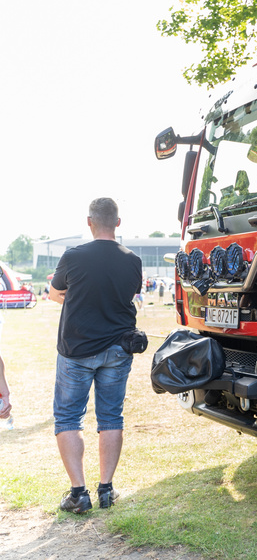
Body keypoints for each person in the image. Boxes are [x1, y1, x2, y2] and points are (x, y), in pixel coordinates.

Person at [49, 198, 142, 514]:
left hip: (76, 349)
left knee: (67, 417)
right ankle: (106, 490)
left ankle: (79, 493)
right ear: (117, 223)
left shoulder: (73, 256)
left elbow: (54, 293)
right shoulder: (132, 260)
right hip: (118, 348)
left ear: (89, 221)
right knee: (111, 417)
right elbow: (127, 296)